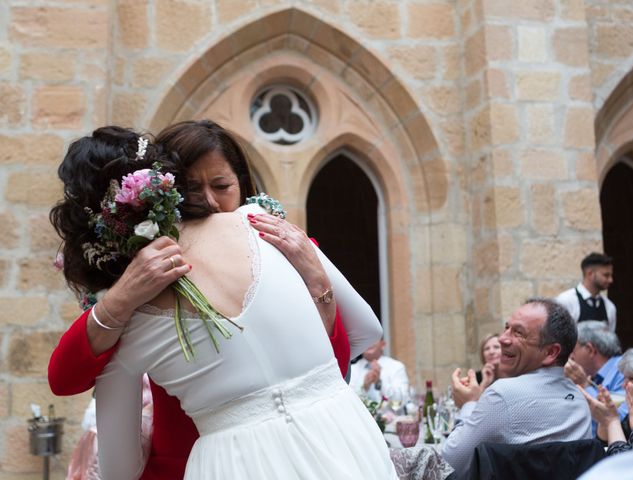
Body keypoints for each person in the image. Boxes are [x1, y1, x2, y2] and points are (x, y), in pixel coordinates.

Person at [51, 127, 395, 479]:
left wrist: (320, 286)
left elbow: (119, 471)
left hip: (234, 459)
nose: (210, 202)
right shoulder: (258, 230)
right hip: (337, 436)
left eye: (220, 186)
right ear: (167, 189)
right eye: (192, 189)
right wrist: (122, 297)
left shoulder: (282, 239)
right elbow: (63, 376)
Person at [442, 298, 591, 478]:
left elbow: (449, 462)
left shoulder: (502, 396)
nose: (502, 339)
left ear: (551, 352)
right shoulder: (579, 400)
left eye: (518, 333)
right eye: (507, 328)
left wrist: (469, 404)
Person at [564, 321, 625, 434]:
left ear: (590, 350)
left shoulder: (625, 370)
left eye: (573, 350)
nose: (570, 356)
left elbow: (621, 420)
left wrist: (584, 385)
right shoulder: (593, 375)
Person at [579, 346, 633, 448]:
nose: (624, 385)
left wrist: (612, 420)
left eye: (631, 378)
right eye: (624, 378)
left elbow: (625, 458)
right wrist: (604, 421)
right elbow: (604, 447)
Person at [556, 252, 616, 332]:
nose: (610, 280)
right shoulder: (566, 301)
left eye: (611, 275)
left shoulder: (609, 307)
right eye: (606, 275)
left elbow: (610, 340)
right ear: (590, 273)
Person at [349, 337, 409, 405]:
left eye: (373, 339)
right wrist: (364, 387)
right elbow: (348, 403)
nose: (369, 343)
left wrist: (379, 384)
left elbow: (403, 401)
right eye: (365, 340)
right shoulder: (351, 370)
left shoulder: (396, 367)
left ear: (383, 344)